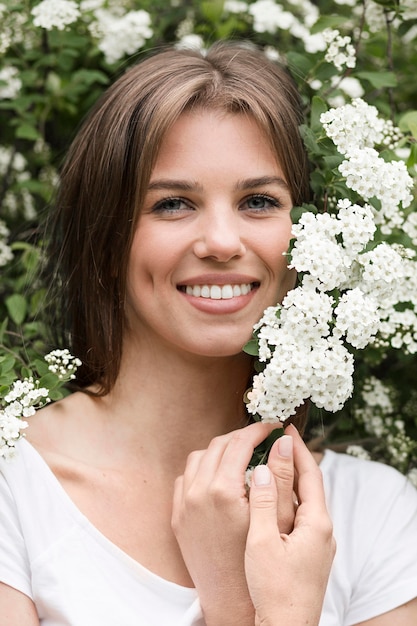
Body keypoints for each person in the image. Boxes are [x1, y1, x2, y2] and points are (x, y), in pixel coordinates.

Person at [0, 42, 416, 626]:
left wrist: (259, 606)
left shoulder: (375, 513)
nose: (221, 241)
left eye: (258, 201)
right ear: (106, 238)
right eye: (172, 203)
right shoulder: (15, 485)